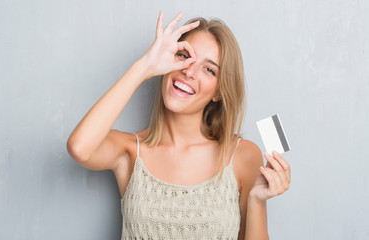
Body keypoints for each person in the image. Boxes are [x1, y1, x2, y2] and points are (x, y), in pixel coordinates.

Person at [67, 11, 291, 240]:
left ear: (219, 92)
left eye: (209, 69)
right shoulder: (130, 150)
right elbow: (79, 147)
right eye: (184, 56)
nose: (189, 71)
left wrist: (256, 200)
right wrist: (144, 67)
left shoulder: (243, 155)